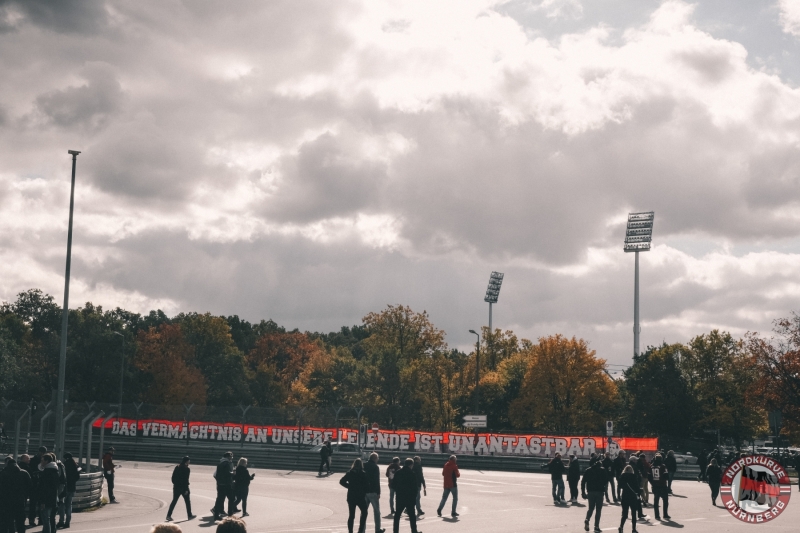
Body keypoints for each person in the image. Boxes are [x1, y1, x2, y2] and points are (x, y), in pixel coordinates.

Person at [0, 455, 31, 533]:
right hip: (20, 500)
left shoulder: (3, 473)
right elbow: (30, 487)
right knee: (20, 522)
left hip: (6, 501)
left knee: (7, 522)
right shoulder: (24, 473)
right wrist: (25, 496)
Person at [339, 458, 369, 533]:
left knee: (351, 515)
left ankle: (350, 531)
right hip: (360, 496)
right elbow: (366, 485)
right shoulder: (363, 473)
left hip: (351, 496)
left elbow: (342, 481)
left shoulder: (350, 473)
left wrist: (349, 486)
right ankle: (360, 530)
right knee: (364, 512)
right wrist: (364, 490)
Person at [393, 458, 421, 533]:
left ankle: (395, 531)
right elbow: (415, 488)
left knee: (397, 514)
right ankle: (414, 530)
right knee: (412, 515)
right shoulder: (412, 473)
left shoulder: (398, 472)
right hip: (409, 497)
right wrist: (414, 497)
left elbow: (393, 484)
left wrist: (398, 491)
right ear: (411, 465)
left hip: (400, 496)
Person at [581, 456, 606, 533]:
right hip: (599, 492)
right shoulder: (602, 471)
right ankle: (596, 526)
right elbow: (606, 481)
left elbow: (583, 482)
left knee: (591, 508)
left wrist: (583, 492)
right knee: (598, 510)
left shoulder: (588, 470)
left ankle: (587, 519)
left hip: (590, 491)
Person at [167, 456, 195, 522]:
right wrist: (185, 489)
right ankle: (189, 515)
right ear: (186, 461)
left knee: (174, 501)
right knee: (187, 501)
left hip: (176, 487)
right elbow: (185, 480)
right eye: (189, 461)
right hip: (184, 487)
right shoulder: (187, 469)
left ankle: (168, 515)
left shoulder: (177, 467)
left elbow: (173, 477)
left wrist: (175, 484)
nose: (189, 462)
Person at [39, 453, 61, 533]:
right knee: (51, 518)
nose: (41, 462)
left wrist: (43, 501)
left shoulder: (46, 473)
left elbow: (44, 489)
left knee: (46, 519)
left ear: (47, 461)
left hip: (46, 500)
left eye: (42, 460)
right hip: (54, 498)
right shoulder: (55, 471)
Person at [58, 452, 80, 529]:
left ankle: (61, 521)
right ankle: (67, 522)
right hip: (72, 487)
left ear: (65, 458)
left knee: (62, 505)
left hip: (65, 488)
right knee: (69, 506)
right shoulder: (75, 465)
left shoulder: (64, 465)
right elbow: (77, 477)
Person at [364, 453, 385, 533]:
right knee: (376, 512)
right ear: (375, 458)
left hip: (365, 491)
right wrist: (378, 492)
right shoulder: (375, 467)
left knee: (364, 512)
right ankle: (377, 529)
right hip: (373, 491)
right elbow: (377, 480)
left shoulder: (364, 465)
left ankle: (362, 529)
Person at [212, 451, 235, 521]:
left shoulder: (220, 463)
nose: (231, 458)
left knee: (219, 499)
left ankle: (216, 515)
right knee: (231, 499)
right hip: (227, 484)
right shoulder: (227, 464)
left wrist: (219, 481)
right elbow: (227, 474)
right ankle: (230, 514)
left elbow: (215, 474)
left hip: (220, 484)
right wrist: (233, 473)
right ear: (228, 457)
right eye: (231, 456)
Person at [618, 465, 640, 533]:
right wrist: (639, 494)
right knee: (633, 513)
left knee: (624, 514)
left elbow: (619, 486)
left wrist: (618, 496)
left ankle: (621, 527)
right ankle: (633, 529)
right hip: (632, 497)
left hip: (625, 496)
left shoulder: (622, 476)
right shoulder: (634, 477)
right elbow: (637, 487)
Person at [648, 454, 670, 521]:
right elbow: (666, 476)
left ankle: (657, 515)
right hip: (662, 485)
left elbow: (649, 476)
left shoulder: (651, 466)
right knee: (665, 500)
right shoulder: (663, 466)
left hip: (655, 485)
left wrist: (652, 483)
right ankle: (665, 514)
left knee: (656, 501)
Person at [29, 446, 47, 526]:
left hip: (39, 485)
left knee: (40, 503)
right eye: (41, 452)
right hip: (35, 485)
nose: (42, 454)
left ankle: (39, 519)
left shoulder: (43, 460)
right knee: (34, 503)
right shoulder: (34, 460)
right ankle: (32, 519)